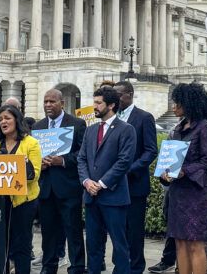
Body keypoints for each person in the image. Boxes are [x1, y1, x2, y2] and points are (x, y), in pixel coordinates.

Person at [77, 87, 136, 274]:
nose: (94, 106)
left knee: (120, 246)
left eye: (98, 103)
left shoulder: (126, 129)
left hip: (114, 197)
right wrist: (86, 181)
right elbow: (82, 159)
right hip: (91, 197)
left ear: (111, 105)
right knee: (93, 245)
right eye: (94, 102)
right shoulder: (91, 130)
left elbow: (124, 161)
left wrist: (101, 184)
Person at [160, 83, 207, 274]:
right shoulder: (177, 128)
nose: (174, 107)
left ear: (190, 103)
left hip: (197, 191)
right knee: (180, 242)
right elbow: (169, 158)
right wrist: (164, 172)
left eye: (178, 103)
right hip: (178, 191)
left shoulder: (206, 128)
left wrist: (184, 171)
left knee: (195, 243)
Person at [33, 89, 87, 274]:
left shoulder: (77, 124)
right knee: (48, 233)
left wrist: (61, 160)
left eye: (52, 101)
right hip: (46, 189)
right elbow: (33, 156)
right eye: (45, 101)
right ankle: (48, 267)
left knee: (73, 232)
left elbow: (82, 154)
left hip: (69, 188)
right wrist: (39, 164)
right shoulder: (38, 127)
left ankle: (77, 268)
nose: (48, 105)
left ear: (62, 103)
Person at [0, 104, 42, 274]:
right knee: (0, 244)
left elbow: (35, 175)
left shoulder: (31, 143)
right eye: (0, 119)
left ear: (16, 120)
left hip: (23, 202)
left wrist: (21, 162)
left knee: (21, 244)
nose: (3, 122)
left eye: (7, 118)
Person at [113, 80, 158, 274]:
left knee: (134, 231)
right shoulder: (112, 118)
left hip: (134, 184)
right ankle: (120, 266)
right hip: (113, 185)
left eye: (119, 95)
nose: (115, 99)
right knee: (117, 229)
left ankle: (136, 267)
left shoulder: (144, 117)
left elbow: (150, 150)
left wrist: (130, 169)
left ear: (129, 94)